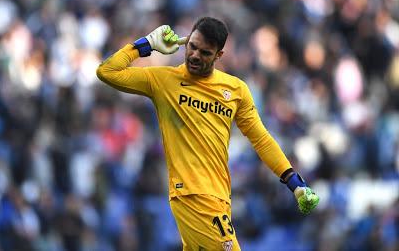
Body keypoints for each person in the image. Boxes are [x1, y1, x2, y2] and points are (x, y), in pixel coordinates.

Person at [96, 17, 319, 251]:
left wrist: (294, 182)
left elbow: (261, 139)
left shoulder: (235, 90)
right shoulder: (163, 81)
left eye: (204, 52)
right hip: (192, 196)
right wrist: (147, 44)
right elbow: (107, 71)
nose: (194, 56)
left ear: (218, 56)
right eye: (192, 46)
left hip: (221, 198)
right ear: (186, 41)